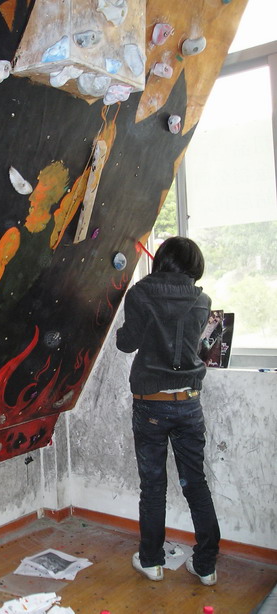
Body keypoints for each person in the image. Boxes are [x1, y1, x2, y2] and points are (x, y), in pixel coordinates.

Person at [116, 236, 220, 585]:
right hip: (189, 403)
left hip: (152, 404)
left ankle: (152, 562)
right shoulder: (202, 300)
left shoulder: (140, 293)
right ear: (194, 265)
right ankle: (206, 566)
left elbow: (127, 343)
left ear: (161, 260)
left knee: (153, 486)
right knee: (196, 484)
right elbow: (193, 345)